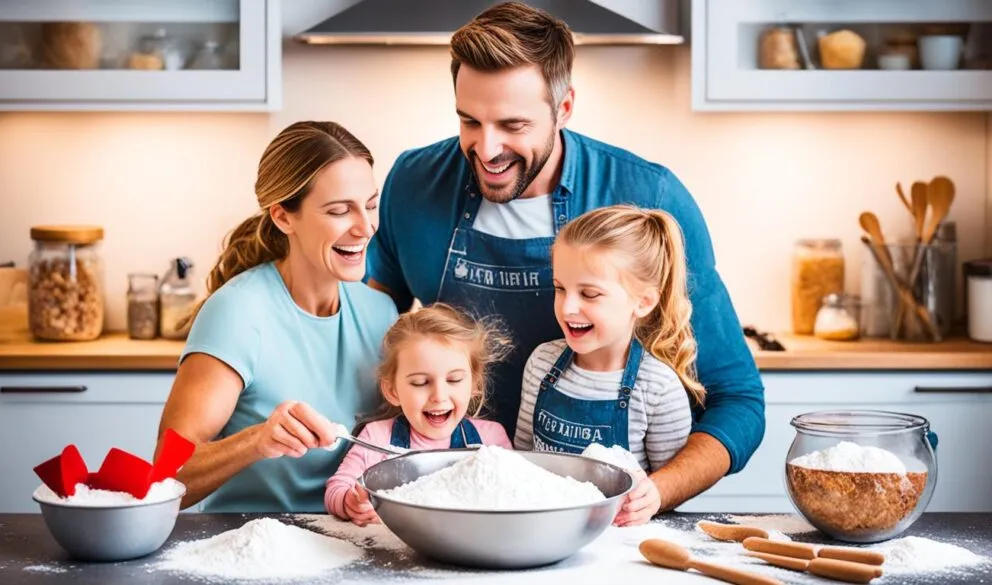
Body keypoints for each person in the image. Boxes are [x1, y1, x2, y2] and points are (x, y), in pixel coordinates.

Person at [366, 1, 764, 513]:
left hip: (611, 521)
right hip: (453, 503)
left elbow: (739, 401)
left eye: (513, 125)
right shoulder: (414, 183)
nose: (486, 150)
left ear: (566, 106)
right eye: (470, 121)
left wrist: (658, 492)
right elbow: (367, 335)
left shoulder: (647, 194)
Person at [155, 121, 398, 512]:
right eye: (340, 211)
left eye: (370, 205)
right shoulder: (237, 313)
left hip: (348, 544)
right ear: (284, 218)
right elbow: (167, 475)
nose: (366, 227)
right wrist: (257, 441)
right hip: (246, 544)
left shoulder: (380, 313)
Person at [514, 205, 702, 526]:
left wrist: (649, 500)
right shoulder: (541, 363)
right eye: (560, 288)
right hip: (540, 530)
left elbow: (664, 495)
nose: (568, 307)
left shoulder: (657, 387)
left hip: (620, 544)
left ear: (642, 302)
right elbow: (524, 460)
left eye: (589, 293)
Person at [324, 303, 514, 526]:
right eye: (420, 382)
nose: (439, 396)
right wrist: (351, 503)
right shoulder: (376, 437)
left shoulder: (491, 439)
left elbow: (513, 493)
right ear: (393, 391)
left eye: (454, 380)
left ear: (474, 384)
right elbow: (337, 488)